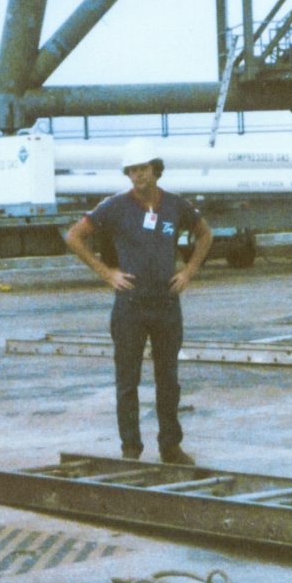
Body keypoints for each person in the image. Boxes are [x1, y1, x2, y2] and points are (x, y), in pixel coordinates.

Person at [65, 138, 213, 464]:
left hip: (166, 303)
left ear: (156, 170)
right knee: (127, 380)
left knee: (168, 379)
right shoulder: (116, 206)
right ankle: (131, 448)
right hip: (130, 305)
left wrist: (189, 271)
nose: (137, 176)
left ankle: (170, 446)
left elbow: (205, 234)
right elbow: (74, 236)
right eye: (132, 170)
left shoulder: (175, 206)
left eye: (143, 168)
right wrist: (107, 273)